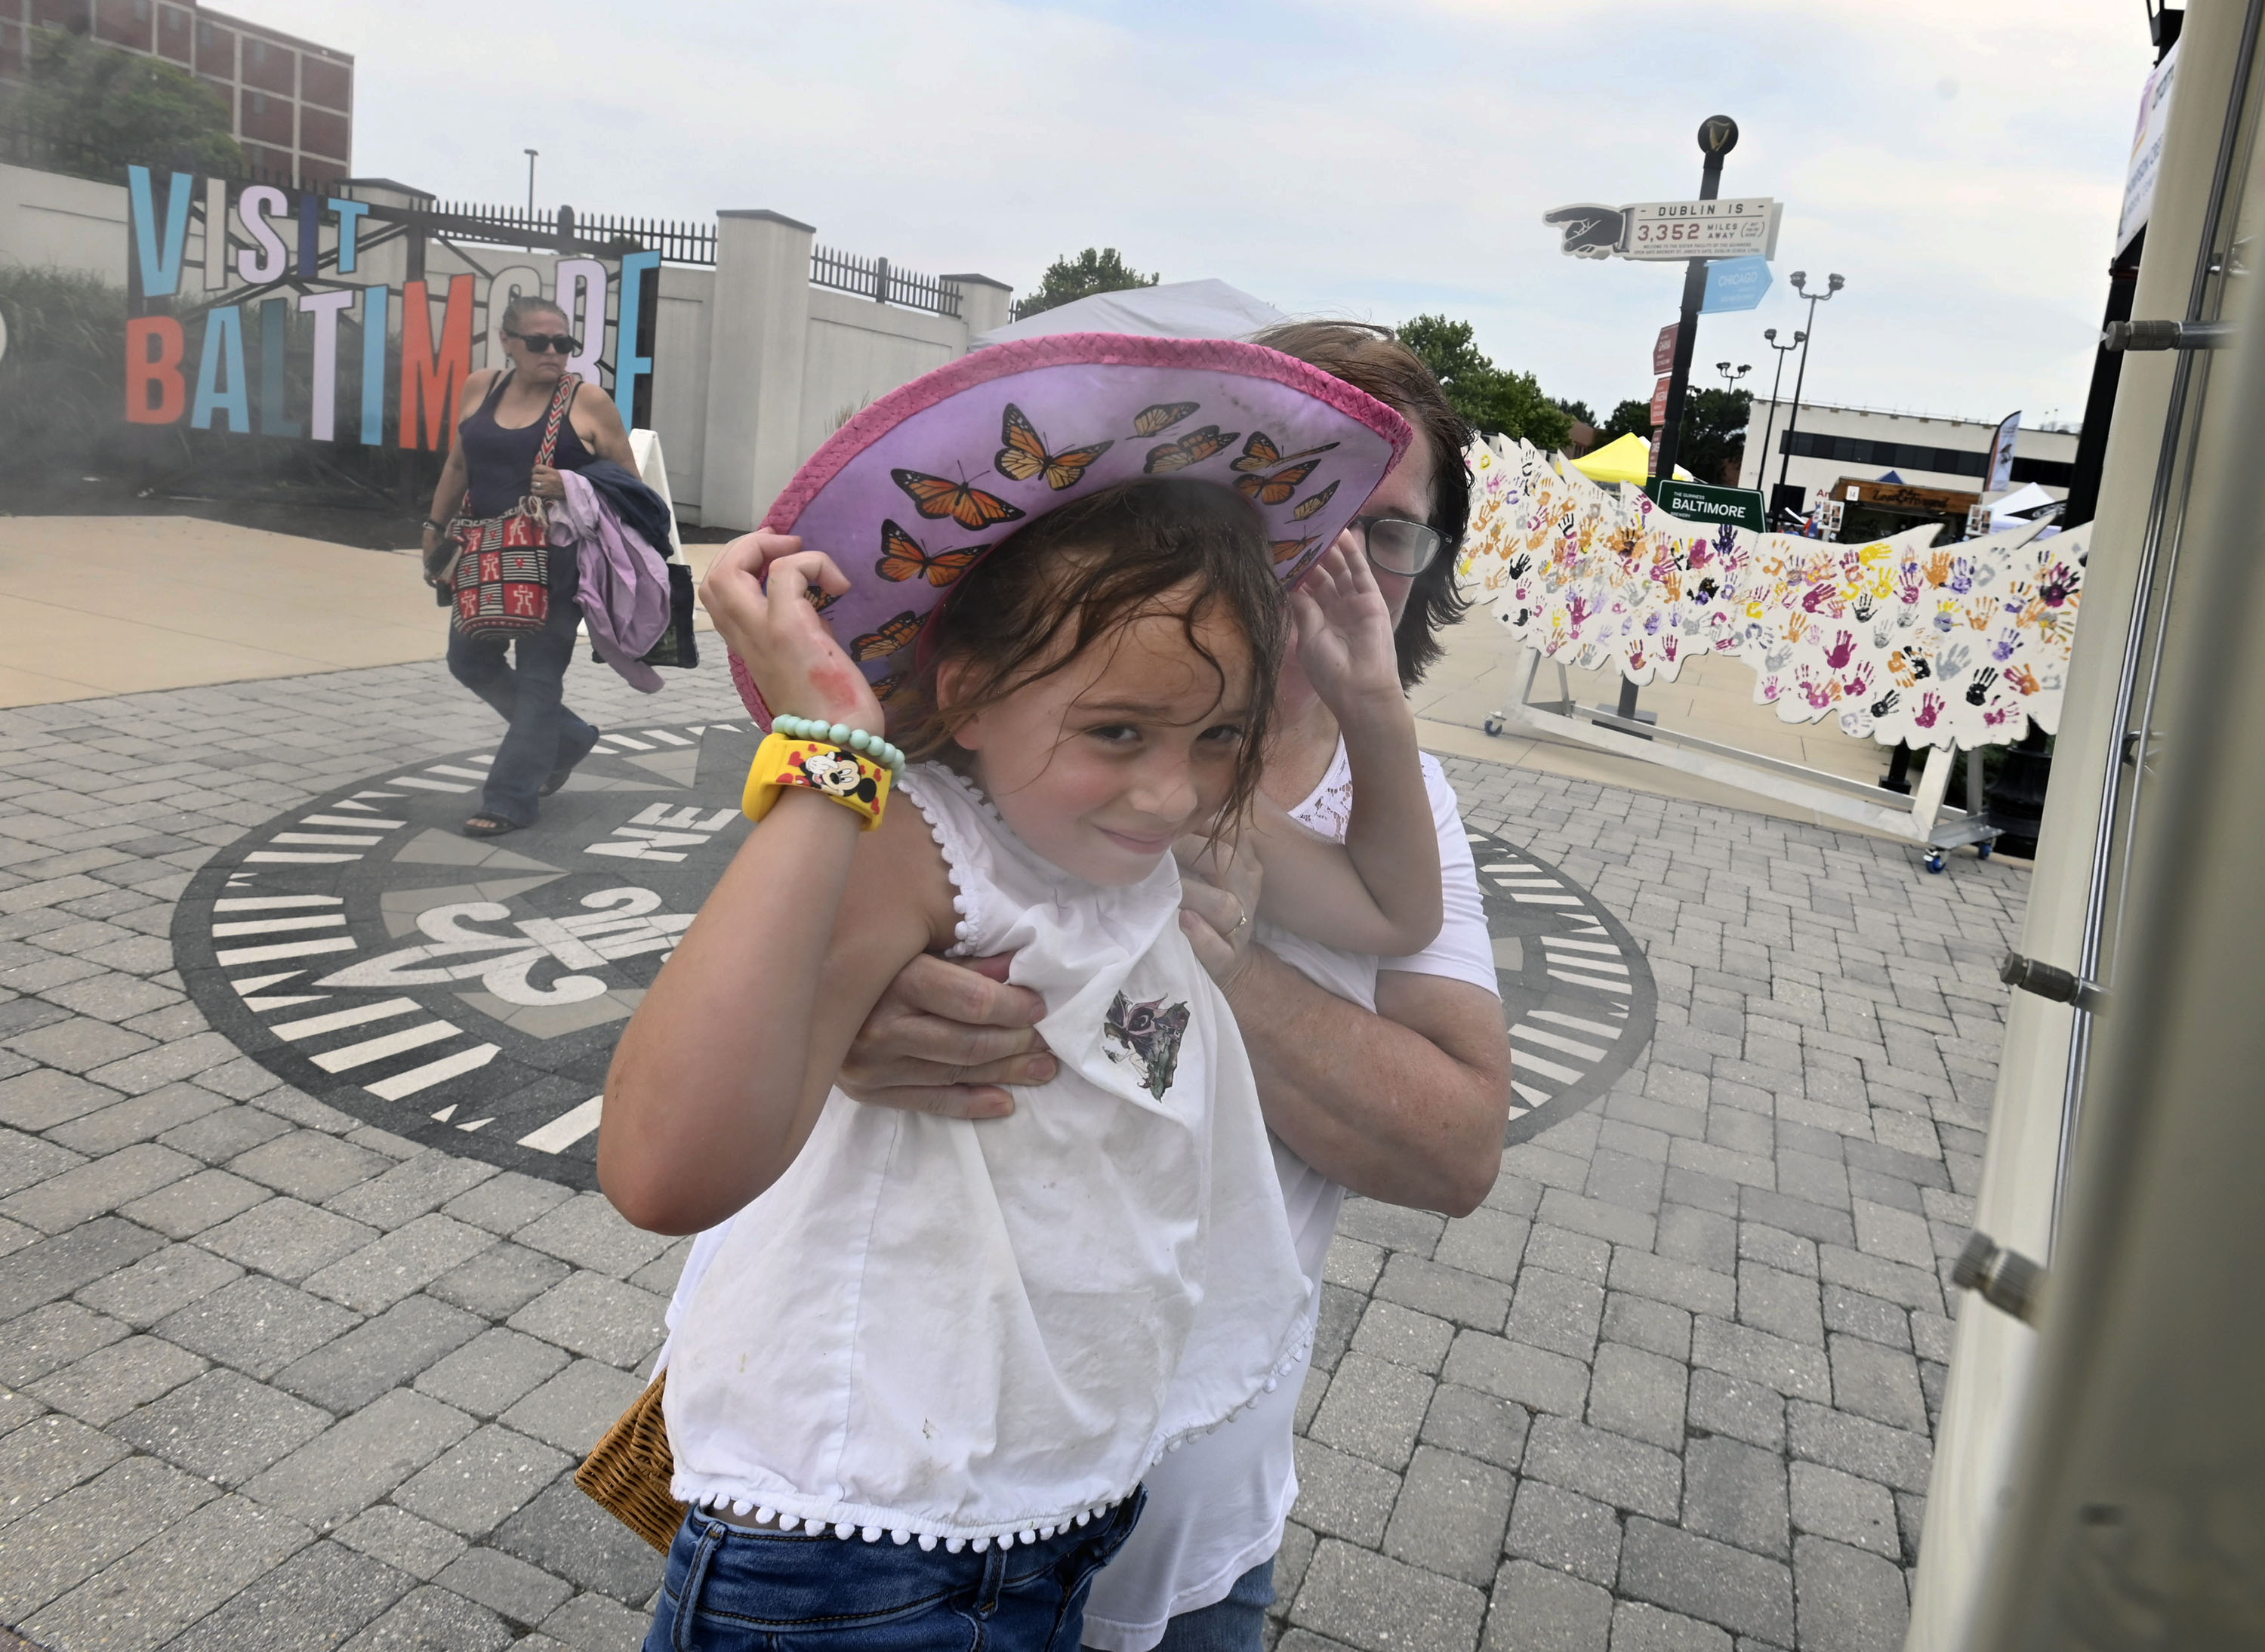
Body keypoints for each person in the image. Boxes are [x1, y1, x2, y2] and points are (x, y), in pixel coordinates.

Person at [601, 338, 1440, 1652]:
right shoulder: (914, 839)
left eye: (1218, 736)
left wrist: (1369, 697)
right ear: (970, 689)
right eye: (1118, 731)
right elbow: (663, 1167)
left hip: (1047, 1523)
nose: (1172, 787)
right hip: (854, 1542)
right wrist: (832, 745)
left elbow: (1399, 912)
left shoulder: (1152, 844)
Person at [824, 323, 1513, 1651]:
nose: (1329, 553)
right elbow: (762, 1006)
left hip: (1189, 1522)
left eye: (1387, 530)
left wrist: (1197, 947)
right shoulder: (1010, 746)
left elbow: (1455, 1141)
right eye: (1297, 493)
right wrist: (846, 1010)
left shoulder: (1347, 802)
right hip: (911, 1473)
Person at [420, 293, 639, 837]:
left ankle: (509, 798)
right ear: (507, 342)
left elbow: (635, 486)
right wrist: (433, 528)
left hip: (558, 559)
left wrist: (571, 482)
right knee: (468, 660)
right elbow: (458, 463)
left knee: (541, 675)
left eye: (564, 343)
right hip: (484, 554)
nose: (553, 352)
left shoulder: (587, 401)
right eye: (539, 342)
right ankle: (567, 739)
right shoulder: (482, 387)